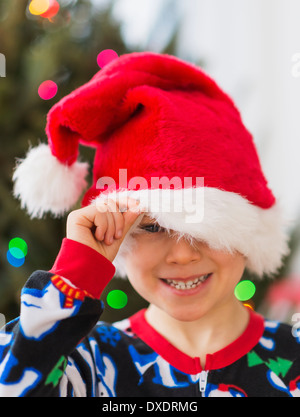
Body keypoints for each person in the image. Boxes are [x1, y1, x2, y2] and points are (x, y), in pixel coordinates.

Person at [1, 51, 299, 397]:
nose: (183, 255)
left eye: (206, 226)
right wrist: (76, 273)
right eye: (153, 227)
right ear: (117, 234)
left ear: (247, 229)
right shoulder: (86, 363)